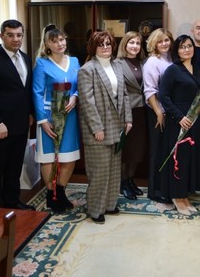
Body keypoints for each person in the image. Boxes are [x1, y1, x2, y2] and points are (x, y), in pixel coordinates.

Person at [0, 19, 35, 210]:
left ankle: (12, 201)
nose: (16, 39)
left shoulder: (25, 58)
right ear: (1, 36)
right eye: (10, 35)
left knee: (14, 166)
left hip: (20, 123)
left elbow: (25, 90)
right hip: (0, 126)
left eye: (19, 35)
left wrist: (29, 112)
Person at [78, 31, 133, 224]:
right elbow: (87, 102)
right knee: (99, 172)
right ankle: (96, 209)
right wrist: (96, 128)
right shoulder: (87, 69)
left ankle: (109, 204)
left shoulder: (117, 66)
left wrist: (128, 119)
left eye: (108, 44)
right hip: (98, 129)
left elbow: (125, 95)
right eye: (101, 44)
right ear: (93, 47)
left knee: (113, 170)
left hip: (116, 126)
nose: (105, 47)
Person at [33, 24, 81, 213]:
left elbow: (80, 85)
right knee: (49, 158)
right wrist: (42, 121)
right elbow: (37, 92)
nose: (60, 44)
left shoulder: (75, 61)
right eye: (55, 41)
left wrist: (75, 96)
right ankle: (50, 194)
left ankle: (60, 192)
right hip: (49, 117)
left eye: (62, 39)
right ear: (47, 44)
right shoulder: (42, 64)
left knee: (69, 156)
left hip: (70, 116)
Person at [158, 35, 200, 215]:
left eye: (189, 46)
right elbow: (163, 96)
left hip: (195, 120)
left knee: (188, 159)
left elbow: (199, 93)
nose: (187, 49)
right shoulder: (172, 70)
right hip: (179, 121)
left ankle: (184, 195)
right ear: (176, 51)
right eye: (182, 47)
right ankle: (176, 197)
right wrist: (179, 117)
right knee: (178, 158)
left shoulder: (196, 69)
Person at [142, 28, 174, 204]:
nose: (164, 43)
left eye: (167, 40)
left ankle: (165, 187)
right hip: (157, 112)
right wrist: (159, 112)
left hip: (169, 112)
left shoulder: (169, 59)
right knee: (157, 151)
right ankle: (154, 191)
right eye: (160, 41)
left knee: (166, 151)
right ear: (154, 43)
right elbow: (150, 90)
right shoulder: (152, 62)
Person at [115, 31, 147, 200]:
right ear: (125, 44)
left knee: (137, 149)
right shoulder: (117, 63)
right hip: (126, 111)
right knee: (126, 149)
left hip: (142, 110)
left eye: (138, 43)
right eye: (131, 42)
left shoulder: (143, 62)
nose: (135, 46)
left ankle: (130, 179)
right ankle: (123, 183)